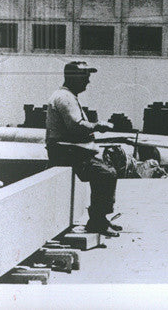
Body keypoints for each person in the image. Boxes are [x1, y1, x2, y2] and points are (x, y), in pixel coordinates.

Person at [45, 61, 120, 236]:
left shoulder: (67, 96)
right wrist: (97, 125)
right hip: (64, 152)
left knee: (105, 170)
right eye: (85, 77)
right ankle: (97, 221)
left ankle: (99, 218)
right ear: (73, 78)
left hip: (68, 150)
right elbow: (76, 126)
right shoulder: (64, 97)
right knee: (106, 174)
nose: (88, 82)